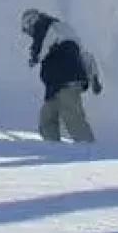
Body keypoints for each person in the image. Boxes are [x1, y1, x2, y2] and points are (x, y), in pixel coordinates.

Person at [21, 8, 99, 143]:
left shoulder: (48, 27)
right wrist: (94, 76)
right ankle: (54, 149)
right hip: (56, 86)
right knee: (47, 120)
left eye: (28, 30)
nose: (31, 34)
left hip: (65, 81)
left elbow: (43, 45)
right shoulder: (63, 31)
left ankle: (90, 149)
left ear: (32, 22)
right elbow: (84, 55)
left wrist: (35, 56)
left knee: (73, 118)